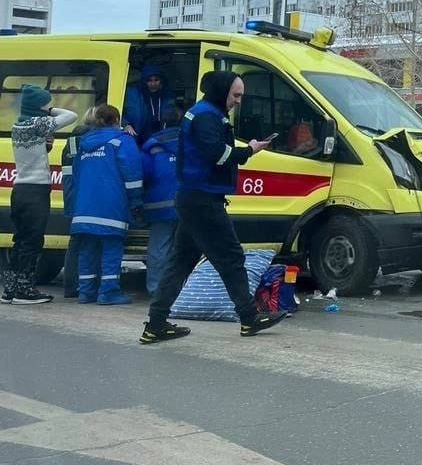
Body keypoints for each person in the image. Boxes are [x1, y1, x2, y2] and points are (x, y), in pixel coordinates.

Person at [141, 70, 286, 344]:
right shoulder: (208, 115)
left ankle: (156, 324)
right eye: (236, 95)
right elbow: (218, 154)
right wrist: (250, 150)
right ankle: (249, 317)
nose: (238, 101)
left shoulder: (205, 112)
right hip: (202, 200)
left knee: (180, 263)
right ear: (222, 91)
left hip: (193, 198)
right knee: (231, 257)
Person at [3, 85, 78, 304]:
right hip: (36, 190)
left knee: (20, 240)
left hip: (20, 190)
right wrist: (50, 110)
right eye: (46, 102)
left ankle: (11, 288)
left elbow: (33, 152)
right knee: (33, 241)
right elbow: (71, 115)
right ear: (39, 106)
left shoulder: (19, 124)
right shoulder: (39, 122)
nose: (49, 105)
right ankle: (24, 291)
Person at [70, 104, 143, 305]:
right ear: (117, 119)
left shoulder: (84, 143)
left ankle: (86, 292)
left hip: (84, 205)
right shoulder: (122, 141)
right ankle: (108, 292)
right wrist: (136, 201)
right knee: (111, 247)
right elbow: (133, 174)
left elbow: (76, 174)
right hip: (111, 204)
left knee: (87, 249)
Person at [139, 102, 183, 296]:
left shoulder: (151, 146)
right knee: (184, 249)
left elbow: (144, 173)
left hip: (159, 206)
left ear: (162, 123)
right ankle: (181, 290)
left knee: (158, 249)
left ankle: (156, 290)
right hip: (187, 204)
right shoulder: (192, 142)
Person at [60, 106, 99, 298]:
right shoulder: (88, 140)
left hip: (72, 194)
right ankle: (76, 284)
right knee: (81, 242)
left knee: (77, 241)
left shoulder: (72, 140)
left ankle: (72, 284)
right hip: (82, 196)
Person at [123, 64, 174, 145]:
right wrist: (125, 124)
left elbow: (172, 117)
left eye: (156, 80)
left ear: (161, 80)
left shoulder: (167, 96)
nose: (153, 84)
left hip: (160, 138)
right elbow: (120, 111)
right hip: (137, 136)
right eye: (149, 80)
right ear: (144, 81)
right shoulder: (134, 95)